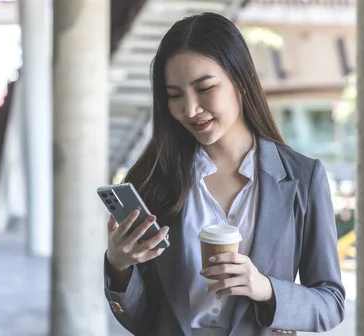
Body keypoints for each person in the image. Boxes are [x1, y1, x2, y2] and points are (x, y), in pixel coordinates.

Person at [103, 12, 345, 336]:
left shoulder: (302, 178)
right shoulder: (154, 180)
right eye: (174, 95)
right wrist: (119, 265)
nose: (189, 109)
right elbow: (143, 319)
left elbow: (331, 304)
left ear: (240, 79)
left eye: (204, 88)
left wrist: (265, 288)